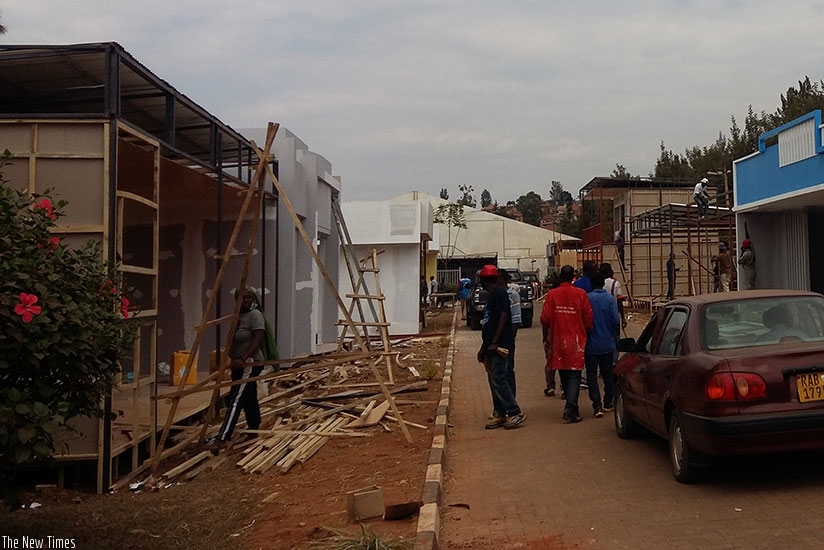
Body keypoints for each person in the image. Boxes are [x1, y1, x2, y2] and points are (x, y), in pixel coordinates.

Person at [212, 287, 266, 447]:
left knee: (236, 399)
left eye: (249, 298)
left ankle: (223, 437)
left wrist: (243, 358)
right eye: (242, 298)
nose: (246, 301)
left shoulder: (255, 316)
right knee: (249, 397)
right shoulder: (238, 316)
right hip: (238, 364)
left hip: (249, 363)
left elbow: (258, 339)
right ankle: (254, 428)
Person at [540, 265, 593, 423]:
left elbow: (544, 318)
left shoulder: (552, 294)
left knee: (563, 371)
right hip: (576, 340)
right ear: (573, 276)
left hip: (558, 340)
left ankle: (571, 407)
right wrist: (586, 331)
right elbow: (588, 319)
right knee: (575, 374)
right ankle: (571, 407)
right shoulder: (581, 294)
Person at [476, 264, 524, 430]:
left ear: (483, 280)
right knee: (493, 380)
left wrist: (496, 342)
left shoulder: (499, 293)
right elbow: (489, 322)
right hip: (491, 346)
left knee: (499, 379)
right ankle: (499, 413)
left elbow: (504, 316)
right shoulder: (492, 295)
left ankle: (514, 411)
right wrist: (484, 347)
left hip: (500, 346)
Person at [584, 272, 620, 417]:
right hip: (607, 344)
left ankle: (596, 405)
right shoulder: (610, 299)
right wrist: (613, 336)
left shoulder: (587, 298)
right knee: (607, 374)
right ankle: (608, 402)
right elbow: (616, 321)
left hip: (591, 345)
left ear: (592, 284)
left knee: (591, 376)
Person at [501, 269, 521, 398]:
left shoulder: (512, 295)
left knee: (508, 370)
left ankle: (511, 401)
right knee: (499, 374)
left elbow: (516, 319)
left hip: (506, 339)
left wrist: (511, 337)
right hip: (495, 341)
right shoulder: (494, 295)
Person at [600, 262, 627, 330]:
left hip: (601, 315)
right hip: (613, 313)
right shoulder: (615, 283)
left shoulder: (598, 282)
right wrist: (623, 317)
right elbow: (619, 301)